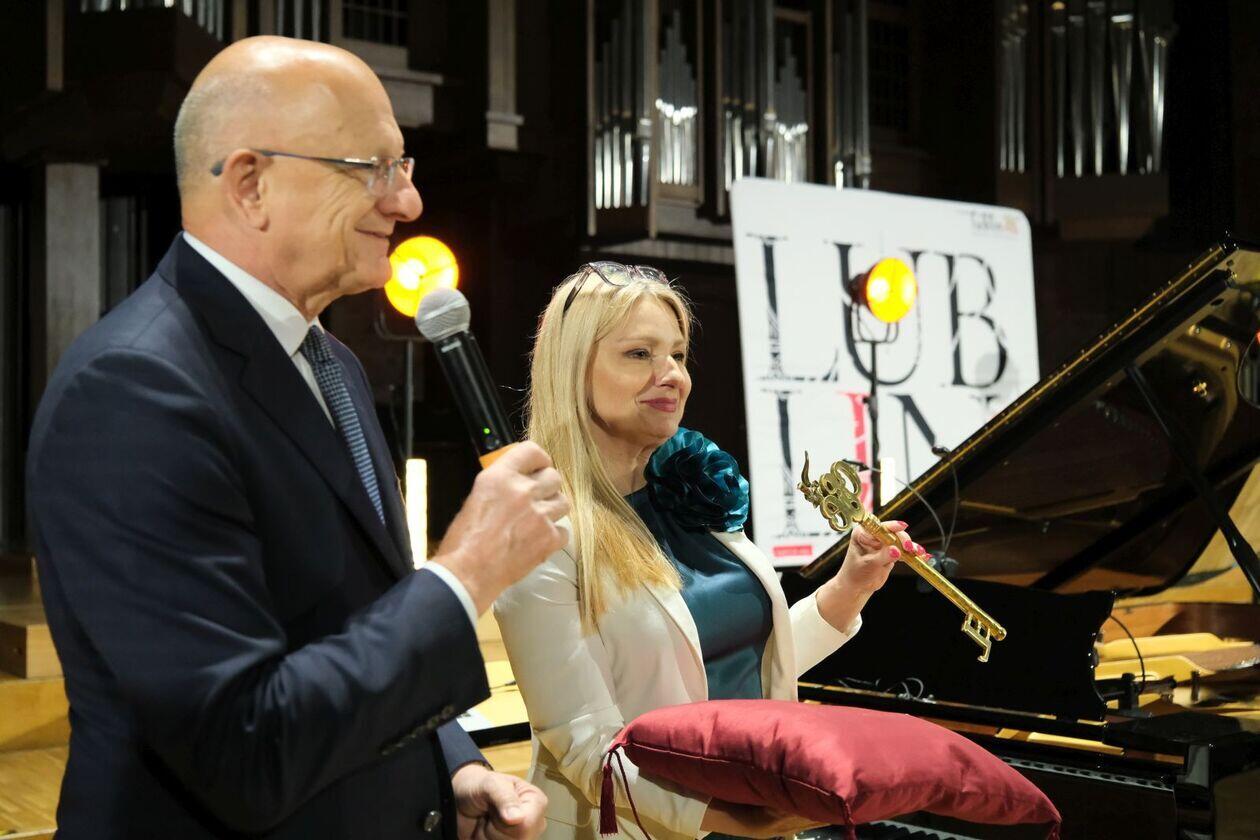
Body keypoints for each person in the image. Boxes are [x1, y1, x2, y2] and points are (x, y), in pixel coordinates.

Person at [25, 37, 567, 839]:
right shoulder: (133, 390)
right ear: (252, 185)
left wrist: (452, 766)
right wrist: (467, 573)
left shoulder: (331, 364)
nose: (408, 201)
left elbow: (355, 620)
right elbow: (242, 746)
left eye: (404, 167)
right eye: (372, 168)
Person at [494, 262, 919, 840]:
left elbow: (740, 663)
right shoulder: (540, 531)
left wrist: (851, 586)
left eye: (678, 354)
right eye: (639, 354)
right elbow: (587, 747)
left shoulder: (684, 492)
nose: (673, 375)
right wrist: (739, 820)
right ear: (572, 371)